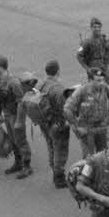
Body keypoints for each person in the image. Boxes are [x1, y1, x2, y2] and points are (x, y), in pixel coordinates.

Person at [64, 67, 109, 156]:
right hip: (87, 128)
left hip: (102, 126)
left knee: (103, 155)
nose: (101, 83)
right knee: (89, 158)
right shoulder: (82, 91)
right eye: (98, 81)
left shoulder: (105, 87)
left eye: (102, 80)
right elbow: (67, 109)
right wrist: (77, 126)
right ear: (90, 80)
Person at [0, 55, 29, 175]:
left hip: (15, 115)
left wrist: (19, 120)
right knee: (12, 140)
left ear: (0, 67)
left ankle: (27, 166)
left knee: (20, 140)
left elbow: (21, 102)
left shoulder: (14, 82)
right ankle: (18, 163)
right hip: (6, 114)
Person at [37, 60, 71, 188]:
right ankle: (59, 177)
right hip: (57, 124)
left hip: (44, 122)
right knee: (60, 150)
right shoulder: (58, 88)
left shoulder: (41, 84)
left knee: (51, 146)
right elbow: (65, 109)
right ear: (58, 71)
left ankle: (54, 170)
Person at [10, 70, 40, 179]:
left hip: (19, 123)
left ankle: (27, 167)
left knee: (22, 143)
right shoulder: (29, 93)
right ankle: (20, 163)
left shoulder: (28, 95)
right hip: (17, 121)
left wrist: (18, 122)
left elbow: (22, 110)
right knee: (17, 141)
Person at [76, 16, 109, 86]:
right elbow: (79, 55)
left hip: (104, 67)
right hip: (93, 69)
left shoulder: (103, 39)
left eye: (99, 27)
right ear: (91, 28)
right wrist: (87, 68)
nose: (97, 29)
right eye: (95, 27)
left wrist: (107, 44)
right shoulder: (87, 42)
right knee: (94, 89)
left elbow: (108, 52)